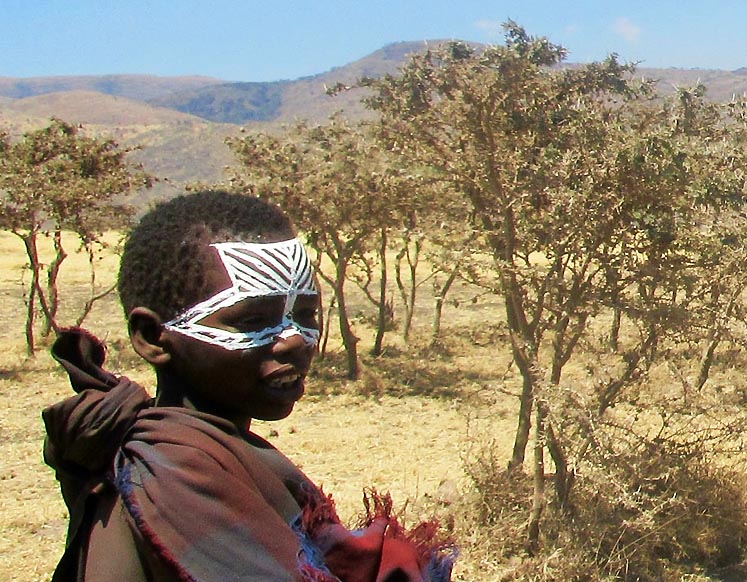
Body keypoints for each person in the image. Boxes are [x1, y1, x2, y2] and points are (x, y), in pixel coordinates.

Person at [42, 190, 453, 581]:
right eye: (253, 321)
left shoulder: (209, 447)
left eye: (306, 314)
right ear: (153, 337)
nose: (295, 340)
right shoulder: (179, 468)